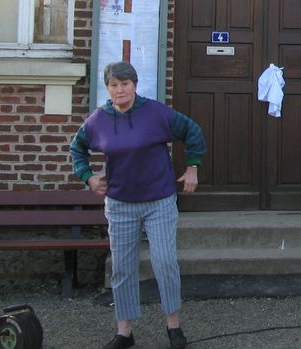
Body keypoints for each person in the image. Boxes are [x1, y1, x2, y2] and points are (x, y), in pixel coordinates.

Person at [70, 61, 206, 349]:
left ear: (135, 85)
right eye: (114, 85)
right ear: (107, 88)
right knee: (122, 268)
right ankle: (125, 332)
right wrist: (88, 177)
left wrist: (192, 167)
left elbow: (192, 131)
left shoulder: (156, 113)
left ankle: (173, 326)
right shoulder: (98, 120)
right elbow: (77, 148)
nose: (120, 90)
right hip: (120, 204)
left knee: (165, 262)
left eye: (125, 84)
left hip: (159, 200)